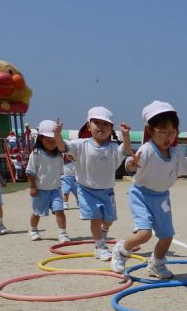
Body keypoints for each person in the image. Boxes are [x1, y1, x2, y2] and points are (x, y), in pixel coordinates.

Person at [110, 101, 187, 277]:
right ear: (150, 130)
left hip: (162, 198)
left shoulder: (175, 153)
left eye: (172, 131)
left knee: (167, 236)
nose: (168, 136)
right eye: (163, 131)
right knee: (144, 234)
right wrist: (132, 163)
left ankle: (156, 264)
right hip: (141, 195)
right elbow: (131, 165)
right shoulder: (147, 150)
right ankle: (121, 250)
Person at [54, 107, 132, 261]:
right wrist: (57, 134)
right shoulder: (81, 144)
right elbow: (63, 147)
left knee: (109, 220)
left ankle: (102, 236)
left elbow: (127, 150)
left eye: (106, 124)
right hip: (86, 190)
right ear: (88, 126)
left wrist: (126, 135)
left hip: (107, 190)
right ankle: (100, 246)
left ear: (111, 129)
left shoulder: (113, 148)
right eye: (96, 122)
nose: (101, 126)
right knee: (96, 219)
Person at [25, 120, 70, 243]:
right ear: (40, 139)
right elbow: (30, 172)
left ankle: (62, 233)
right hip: (40, 190)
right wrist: (32, 187)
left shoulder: (59, 155)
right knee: (37, 213)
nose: (51, 143)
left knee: (59, 211)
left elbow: (61, 170)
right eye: (48, 140)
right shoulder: (36, 154)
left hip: (55, 189)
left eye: (54, 140)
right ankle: (33, 230)